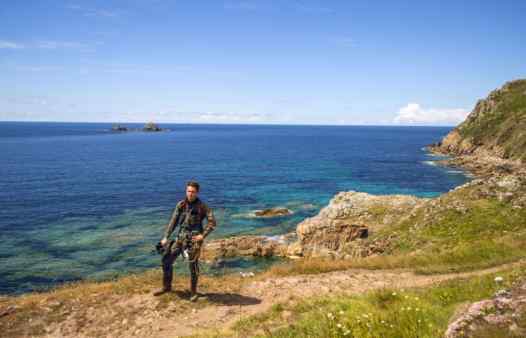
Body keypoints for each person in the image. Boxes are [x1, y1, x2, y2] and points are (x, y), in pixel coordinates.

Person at [153, 180, 217, 301]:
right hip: (180, 238)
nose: (190, 193)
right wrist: (166, 237)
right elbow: (173, 221)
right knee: (166, 260)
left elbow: (212, 222)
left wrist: (203, 235)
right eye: (188, 191)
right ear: (186, 191)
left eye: (193, 191)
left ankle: (193, 292)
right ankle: (166, 287)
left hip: (193, 240)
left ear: (197, 192)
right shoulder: (181, 205)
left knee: (193, 266)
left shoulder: (202, 206)